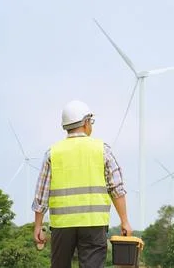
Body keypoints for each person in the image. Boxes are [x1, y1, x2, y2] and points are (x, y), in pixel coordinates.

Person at [32, 100, 132, 268]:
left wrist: (38, 225)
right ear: (86, 123)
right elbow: (117, 188)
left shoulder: (53, 153)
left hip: (62, 226)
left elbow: (41, 194)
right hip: (94, 224)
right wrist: (124, 221)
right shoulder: (102, 150)